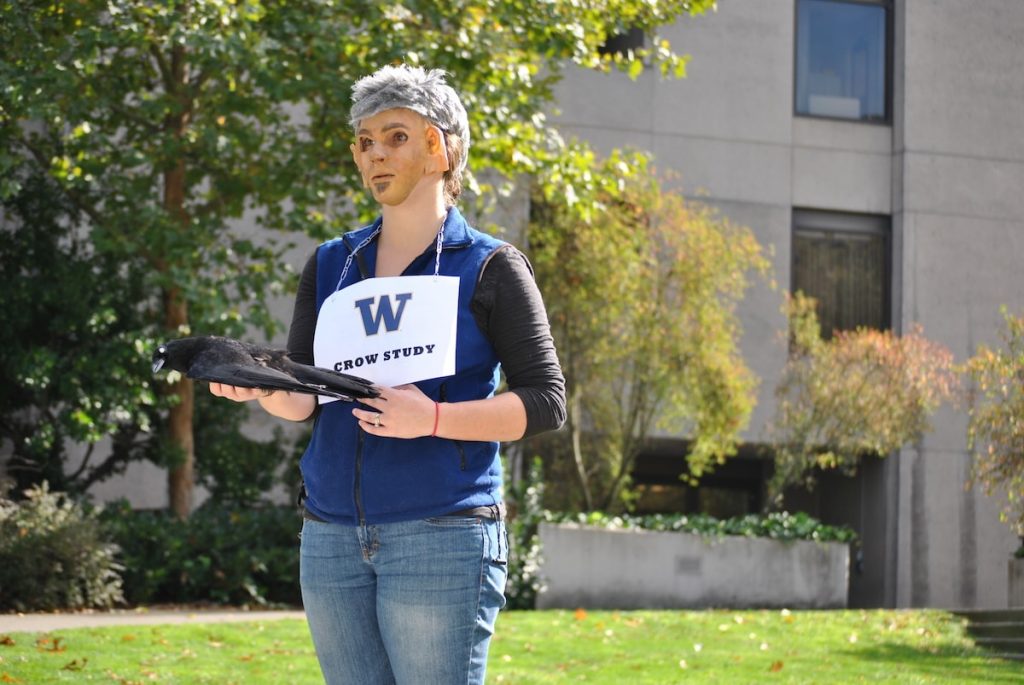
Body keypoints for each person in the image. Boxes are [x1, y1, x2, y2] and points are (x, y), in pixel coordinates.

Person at [209, 64, 566, 685]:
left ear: (439, 147)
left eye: (395, 136)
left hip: (443, 536)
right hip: (330, 537)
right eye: (365, 141)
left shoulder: (491, 267)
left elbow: (545, 401)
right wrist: (263, 385)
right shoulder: (330, 264)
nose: (376, 154)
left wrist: (429, 417)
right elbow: (305, 402)